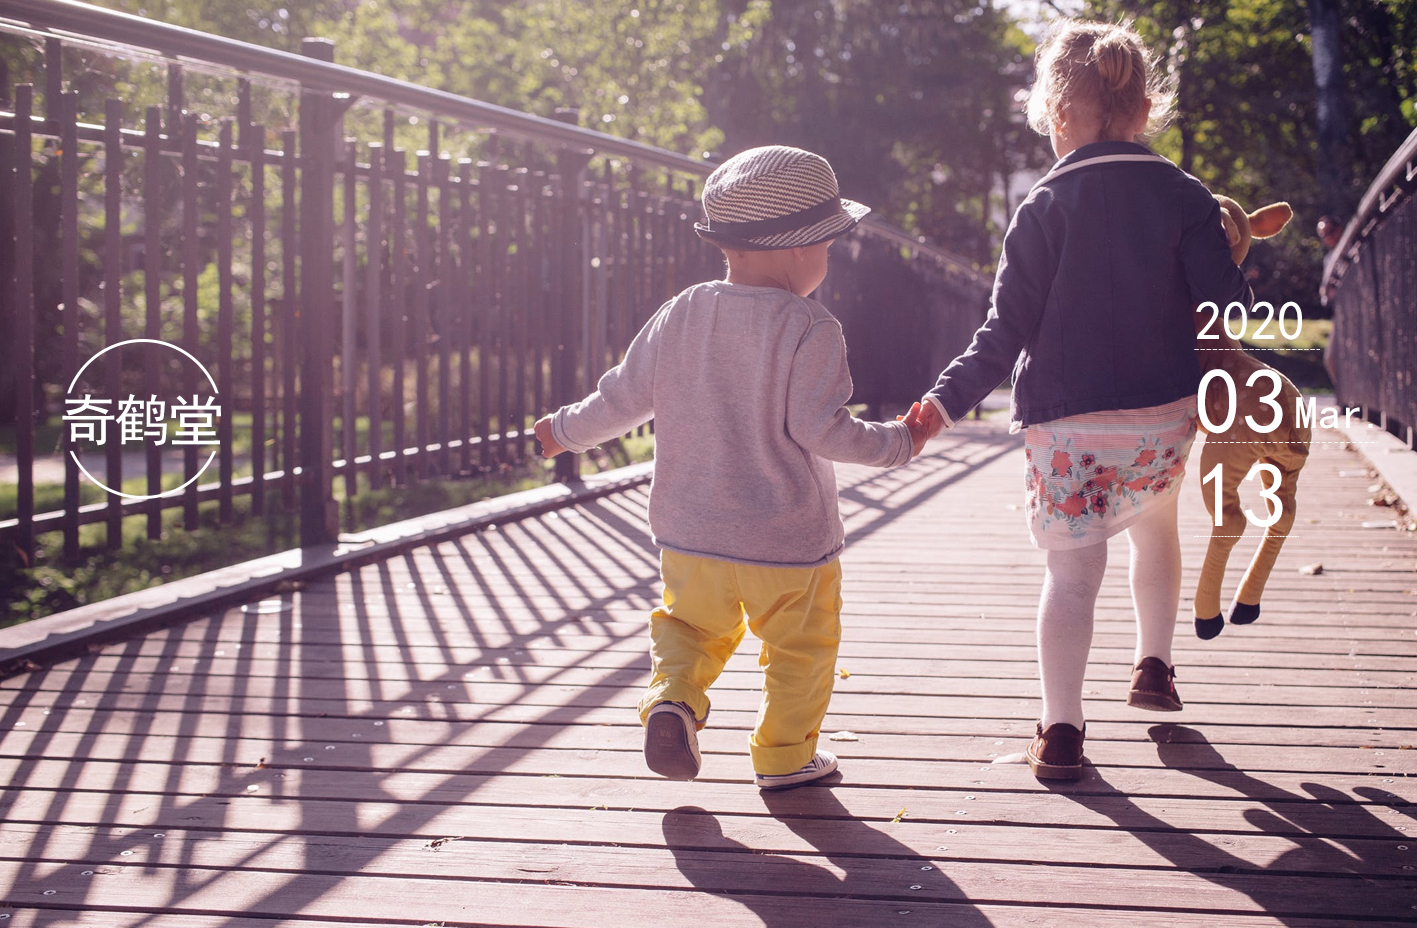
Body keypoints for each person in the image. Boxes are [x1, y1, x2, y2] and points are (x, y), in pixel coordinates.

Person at [913, 20, 1251, 780]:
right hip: (1161, 416)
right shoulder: (1186, 196)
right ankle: (1153, 665)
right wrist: (1231, 248)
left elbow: (1002, 333)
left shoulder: (1043, 206)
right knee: (1155, 526)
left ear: (1060, 112)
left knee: (1070, 576)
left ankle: (1061, 729)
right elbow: (1226, 301)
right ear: (1143, 111)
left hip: (1067, 425)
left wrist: (942, 404)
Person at [534, 145, 930, 789]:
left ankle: (673, 700)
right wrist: (900, 442)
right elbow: (821, 429)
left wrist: (563, 431)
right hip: (788, 542)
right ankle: (785, 756)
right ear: (800, 249)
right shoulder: (811, 326)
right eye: (828, 246)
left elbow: (622, 399)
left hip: (691, 533)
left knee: (689, 629)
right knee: (800, 649)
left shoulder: (682, 311)